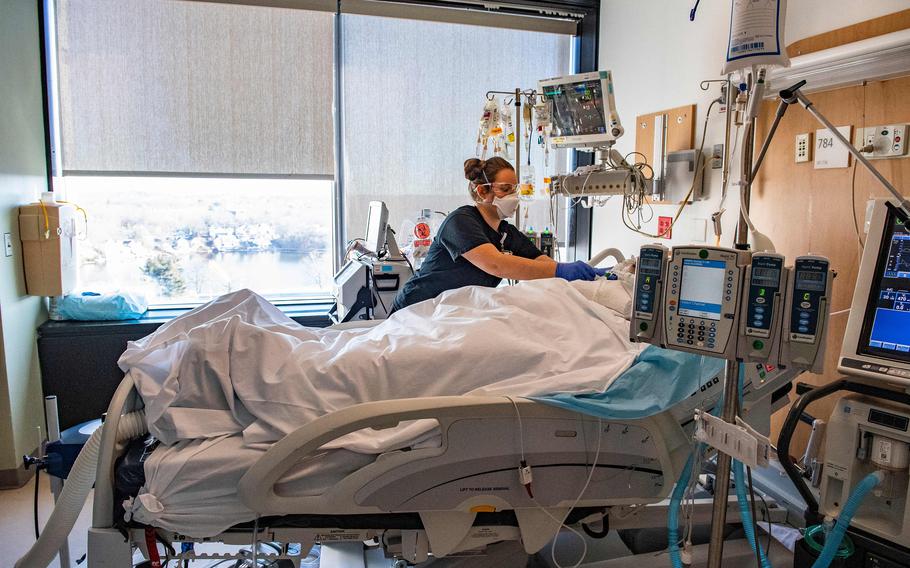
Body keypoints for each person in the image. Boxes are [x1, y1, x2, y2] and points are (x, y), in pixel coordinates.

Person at [391, 157, 604, 312]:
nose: (514, 196)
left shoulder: (505, 232)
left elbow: (541, 262)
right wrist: (560, 270)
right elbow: (496, 264)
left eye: (515, 189)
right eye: (505, 189)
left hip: (454, 311)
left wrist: (583, 275)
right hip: (419, 308)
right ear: (482, 191)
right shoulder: (460, 222)